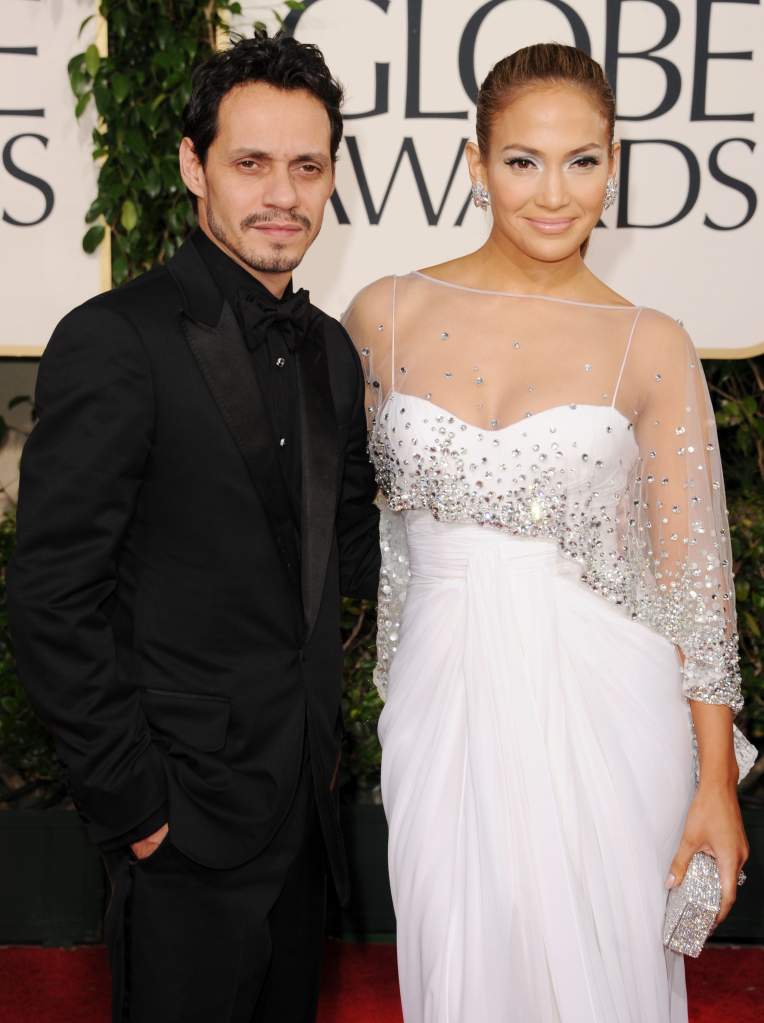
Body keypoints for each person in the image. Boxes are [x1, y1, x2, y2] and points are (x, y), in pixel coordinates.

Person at [343, 43, 754, 1023]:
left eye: (582, 161)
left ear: (613, 166)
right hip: (439, 696)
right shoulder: (382, 315)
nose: (553, 193)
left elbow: (695, 588)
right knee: (458, 959)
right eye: (522, 160)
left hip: (609, 705)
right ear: (475, 164)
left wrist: (714, 786)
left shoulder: (647, 343)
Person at [7, 31, 380, 1023]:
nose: (282, 195)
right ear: (192, 165)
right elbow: (50, 598)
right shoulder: (114, 339)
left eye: (306, 167)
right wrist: (136, 809)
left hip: (304, 813)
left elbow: (344, 559)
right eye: (250, 163)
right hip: (180, 823)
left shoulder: (329, 351)